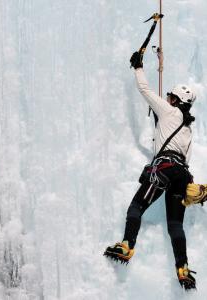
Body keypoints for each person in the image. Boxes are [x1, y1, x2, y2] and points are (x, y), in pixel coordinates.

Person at [104, 51, 197, 290]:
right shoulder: (187, 130)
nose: (167, 99)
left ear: (176, 100)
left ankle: (127, 245)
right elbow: (185, 157)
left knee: (136, 207)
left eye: (170, 97)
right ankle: (183, 268)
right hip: (182, 173)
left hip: (164, 168)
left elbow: (145, 91)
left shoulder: (168, 111)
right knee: (175, 225)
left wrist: (138, 67)